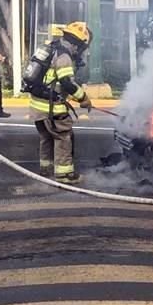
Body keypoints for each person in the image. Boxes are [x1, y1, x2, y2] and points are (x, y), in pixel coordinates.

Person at [29, 22, 92, 184]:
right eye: (83, 47)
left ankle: (46, 169)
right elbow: (67, 83)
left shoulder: (52, 48)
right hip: (52, 109)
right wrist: (83, 98)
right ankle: (64, 174)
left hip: (38, 106)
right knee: (63, 137)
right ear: (77, 44)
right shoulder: (64, 57)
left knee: (46, 138)